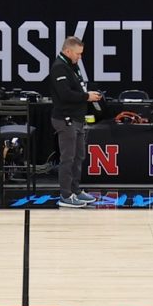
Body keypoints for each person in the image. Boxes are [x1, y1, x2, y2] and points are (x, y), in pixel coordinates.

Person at [49, 35, 102, 207]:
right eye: (78, 54)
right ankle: (65, 195)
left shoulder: (73, 66)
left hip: (77, 119)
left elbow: (78, 87)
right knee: (68, 158)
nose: (80, 57)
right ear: (67, 51)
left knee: (79, 155)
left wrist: (87, 94)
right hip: (65, 119)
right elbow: (65, 95)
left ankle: (76, 190)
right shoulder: (59, 68)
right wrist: (87, 96)